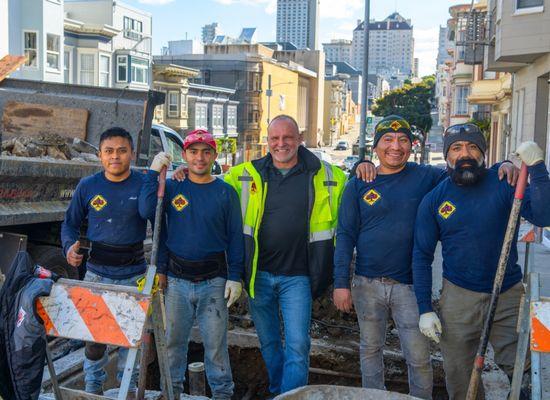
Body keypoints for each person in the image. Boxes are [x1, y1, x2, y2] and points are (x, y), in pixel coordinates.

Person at [413, 123, 550, 400]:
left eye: (473, 146)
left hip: (507, 294)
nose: (465, 153)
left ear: (483, 153)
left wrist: (536, 168)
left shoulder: (505, 182)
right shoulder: (435, 200)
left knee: (521, 366)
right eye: (456, 148)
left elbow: (545, 216)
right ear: (447, 156)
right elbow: (421, 255)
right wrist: (424, 308)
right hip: (459, 297)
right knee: (460, 373)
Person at [224, 115, 347, 396]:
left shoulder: (326, 175)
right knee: (268, 342)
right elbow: (207, 183)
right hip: (258, 276)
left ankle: (288, 396)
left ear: (299, 139)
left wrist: (366, 166)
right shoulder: (246, 174)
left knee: (298, 345)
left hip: (299, 277)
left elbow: (357, 190)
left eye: (288, 138)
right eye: (275, 139)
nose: (281, 144)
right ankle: (279, 391)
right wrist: (181, 174)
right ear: (268, 141)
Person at [139, 129, 244, 399]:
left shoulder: (225, 192)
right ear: (184, 155)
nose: (200, 158)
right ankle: (171, 394)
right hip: (177, 282)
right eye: (193, 152)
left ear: (214, 156)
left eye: (206, 152)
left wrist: (235, 276)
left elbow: (235, 237)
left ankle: (223, 394)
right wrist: (154, 173)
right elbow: (146, 209)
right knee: (173, 345)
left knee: (216, 346)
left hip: (214, 283)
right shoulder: (173, 186)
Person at [61, 127, 149, 396]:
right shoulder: (88, 186)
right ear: (99, 155)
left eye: (122, 151)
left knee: (129, 340)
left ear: (132, 154)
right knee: (94, 340)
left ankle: (128, 390)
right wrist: (68, 248)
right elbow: (69, 225)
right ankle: (92, 388)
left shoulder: (143, 184)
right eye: (109, 151)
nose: (115, 157)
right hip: (97, 275)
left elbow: (162, 221)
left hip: (134, 275)